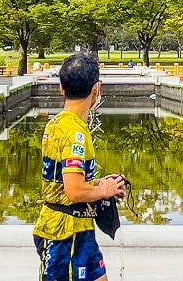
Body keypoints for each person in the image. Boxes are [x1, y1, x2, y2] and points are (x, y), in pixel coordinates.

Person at [33, 53, 127, 281]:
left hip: (73, 227)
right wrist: (104, 191)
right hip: (66, 233)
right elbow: (74, 191)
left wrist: (104, 185)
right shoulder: (75, 134)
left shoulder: (56, 124)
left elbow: (62, 180)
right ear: (97, 89)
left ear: (62, 88)